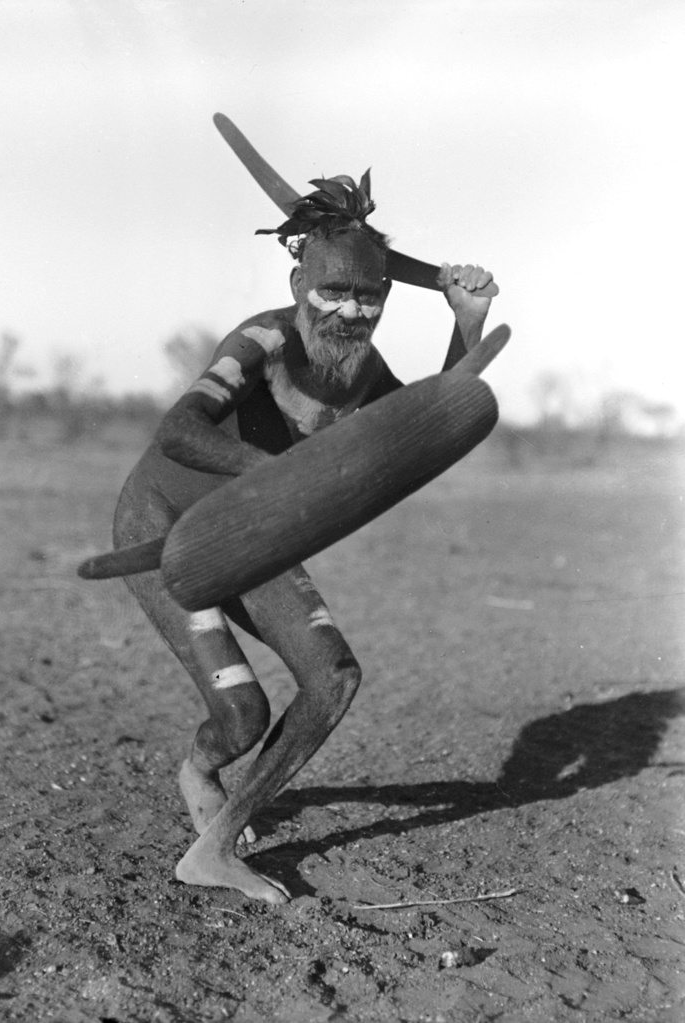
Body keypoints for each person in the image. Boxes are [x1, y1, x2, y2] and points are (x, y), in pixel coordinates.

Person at [112, 174, 496, 904]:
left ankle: (213, 847)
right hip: (160, 526)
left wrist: (467, 322)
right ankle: (200, 769)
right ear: (298, 283)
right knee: (242, 717)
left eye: (368, 297)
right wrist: (276, 473)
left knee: (333, 678)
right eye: (333, 292)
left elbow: (430, 422)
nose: (350, 312)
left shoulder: (365, 373)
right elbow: (179, 431)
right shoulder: (262, 339)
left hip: (249, 534)